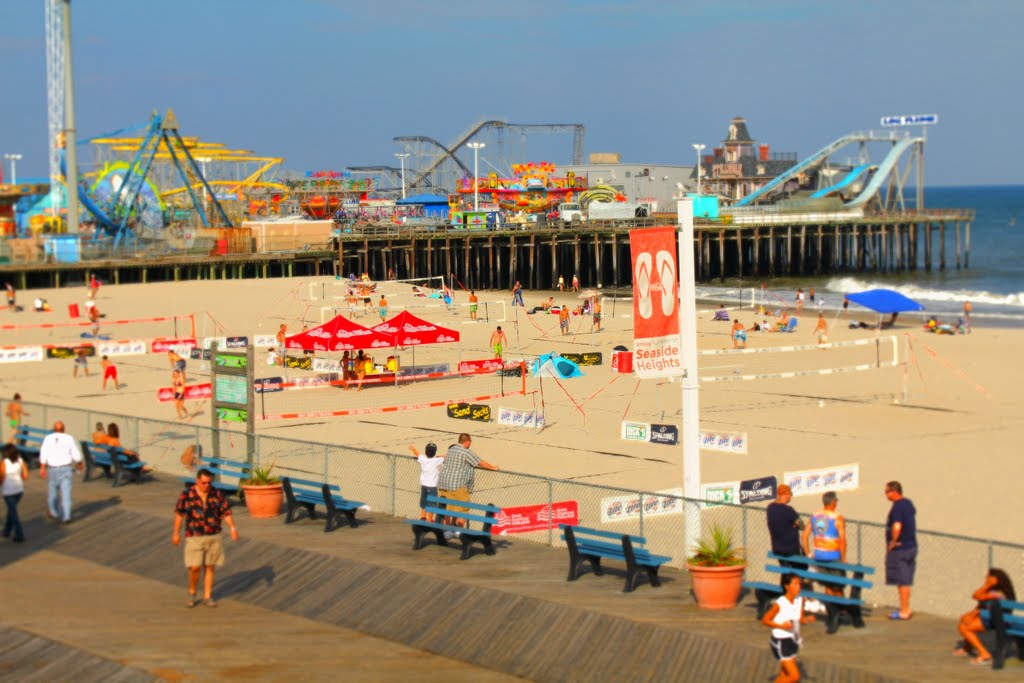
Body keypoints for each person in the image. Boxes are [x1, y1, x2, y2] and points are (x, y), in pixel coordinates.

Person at [172, 467, 239, 608]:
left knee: (210, 566)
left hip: (213, 534)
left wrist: (232, 528)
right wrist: (176, 533)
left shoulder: (217, 494)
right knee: (195, 567)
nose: (207, 485)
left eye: (209, 482)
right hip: (194, 535)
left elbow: (226, 512)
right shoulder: (187, 495)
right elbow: (179, 514)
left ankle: (207, 596)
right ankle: (192, 591)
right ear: (197, 481)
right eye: (204, 483)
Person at [437, 434, 500, 532]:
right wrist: (493, 467)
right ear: (467, 441)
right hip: (456, 484)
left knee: (447, 508)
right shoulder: (466, 452)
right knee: (464, 508)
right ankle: (458, 531)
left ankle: (446, 531)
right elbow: (480, 462)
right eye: (470, 441)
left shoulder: (451, 450)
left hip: (443, 482)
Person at [955, 568, 1016, 664]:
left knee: (964, 628)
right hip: (991, 617)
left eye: (988, 576)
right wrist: (970, 615)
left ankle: (985, 654)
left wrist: (987, 584)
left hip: (997, 620)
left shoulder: (998, 594)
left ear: (995, 579)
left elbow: (976, 595)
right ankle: (967, 648)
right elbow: (981, 603)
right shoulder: (994, 591)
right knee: (964, 623)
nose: (985, 578)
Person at [762, 573, 813, 683]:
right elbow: (765, 620)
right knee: (794, 676)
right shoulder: (780, 603)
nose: (798, 586)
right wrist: (781, 626)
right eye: (795, 584)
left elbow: (801, 619)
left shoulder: (800, 600)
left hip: (793, 640)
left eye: (799, 584)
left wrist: (808, 620)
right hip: (781, 641)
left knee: (785, 673)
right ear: (787, 586)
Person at [802, 491, 847, 597]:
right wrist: (843, 558)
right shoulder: (837, 517)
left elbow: (804, 536)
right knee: (838, 586)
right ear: (834, 502)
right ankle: (841, 610)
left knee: (828, 585)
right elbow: (843, 541)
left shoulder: (815, 516)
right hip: (833, 555)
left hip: (819, 556)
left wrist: (808, 554)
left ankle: (831, 610)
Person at [38, 421, 83, 524]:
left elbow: (43, 453)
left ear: (54, 429)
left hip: (52, 469)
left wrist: (42, 467)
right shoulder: (69, 438)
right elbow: (75, 452)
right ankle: (66, 516)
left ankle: (54, 512)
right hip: (65, 469)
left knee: (52, 493)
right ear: (64, 429)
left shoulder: (48, 438)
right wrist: (79, 462)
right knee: (66, 493)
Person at [885, 480, 917, 620]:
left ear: (894, 491)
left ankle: (904, 610)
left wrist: (893, 541)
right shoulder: (908, 503)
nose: (886, 495)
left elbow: (897, 526)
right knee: (906, 579)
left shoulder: (898, 507)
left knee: (902, 580)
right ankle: (906, 607)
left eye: (887, 492)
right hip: (911, 546)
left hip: (901, 549)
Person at [766, 484, 804, 562]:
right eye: (790, 495)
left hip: (777, 549)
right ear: (786, 495)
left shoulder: (770, 508)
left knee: (786, 571)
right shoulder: (789, 510)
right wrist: (795, 526)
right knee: (799, 571)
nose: (790, 497)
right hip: (791, 550)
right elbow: (802, 526)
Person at [408, 442, 444, 522]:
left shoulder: (423, 459)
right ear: (434, 452)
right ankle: (429, 519)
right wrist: (440, 456)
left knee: (424, 501)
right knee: (431, 503)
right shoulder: (436, 460)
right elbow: (445, 457)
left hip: (424, 485)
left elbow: (417, 454)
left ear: (426, 452)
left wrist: (412, 448)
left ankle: (423, 517)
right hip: (432, 486)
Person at [1, 442, 28, 542]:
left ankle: (19, 533)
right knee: (11, 510)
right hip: (19, 490)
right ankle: (7, 531)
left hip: (8, 491)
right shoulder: (20, 461)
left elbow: (1, 476)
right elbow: (25, 475)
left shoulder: (4, 462)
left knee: (13, 512)